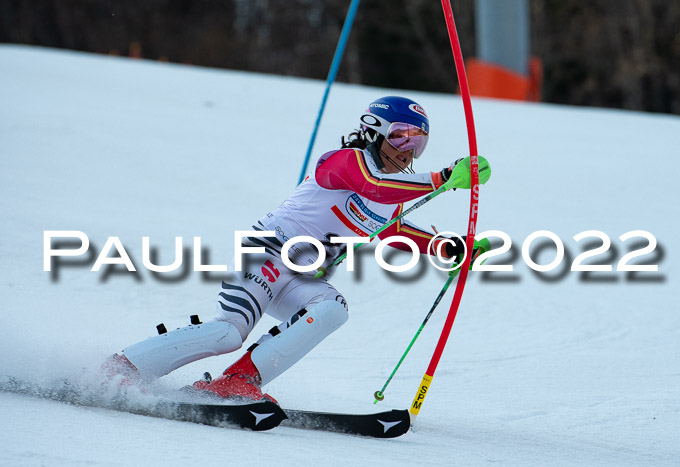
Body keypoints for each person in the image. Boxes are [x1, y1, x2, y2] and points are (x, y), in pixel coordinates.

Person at [104, 96, 491, 402]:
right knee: (228, 333)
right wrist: (442, 178)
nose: (409, 150)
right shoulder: (346, 161)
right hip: (269, 251)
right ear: (373, 130)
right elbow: (373, 186)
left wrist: (450, 248)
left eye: (418, 143)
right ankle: (123, 368)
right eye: (401, 136)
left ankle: (239, 380)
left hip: (302, 275)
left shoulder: (394, 196)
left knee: (332, 309)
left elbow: (393, 231)